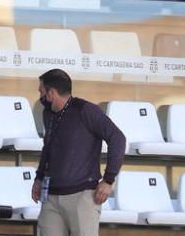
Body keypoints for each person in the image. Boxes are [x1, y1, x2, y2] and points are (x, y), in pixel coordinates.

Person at [31, 69, 126, 236]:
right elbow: (48, 147)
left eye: (41, 91)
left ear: (51, 92)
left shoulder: (86, 111)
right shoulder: (48, 114)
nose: (40, 97)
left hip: (82, 196)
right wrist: (39, 177)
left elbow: (117, 139)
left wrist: (109, 179)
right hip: (51, 197)